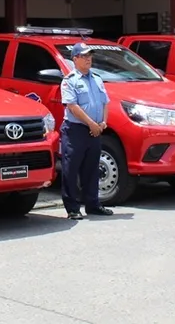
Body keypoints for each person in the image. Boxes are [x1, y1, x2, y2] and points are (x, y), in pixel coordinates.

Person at [59, 42, 114, 220]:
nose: (88, 58)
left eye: (90, 55)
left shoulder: (97, 78)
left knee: (92, 168)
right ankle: (73, 208)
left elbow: (105, 102)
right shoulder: (69, 81)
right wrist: (91, 123)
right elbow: (72, 106)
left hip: (95, 130)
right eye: (84, 56)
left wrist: (103, 122)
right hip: (76, 130)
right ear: (75, 59)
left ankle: (93, 204)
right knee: (71, 168)